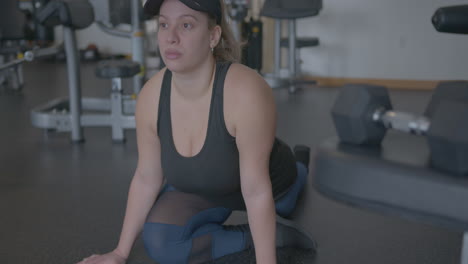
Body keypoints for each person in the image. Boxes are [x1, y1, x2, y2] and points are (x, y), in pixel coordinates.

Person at [78, 0, 315, 263]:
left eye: (186, 25)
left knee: (288, 203)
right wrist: (119, 252)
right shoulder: (151, 95)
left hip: (269, 183)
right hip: (204, 186)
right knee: (161, 242)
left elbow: (257, 190)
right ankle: (275, 237)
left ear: (213, 36)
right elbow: (146, 178)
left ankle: (300, 164)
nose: (171, 37)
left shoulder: (246, 91)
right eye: (164, 24)